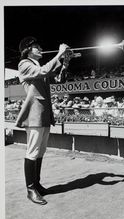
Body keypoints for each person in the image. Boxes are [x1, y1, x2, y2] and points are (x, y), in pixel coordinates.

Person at [15, 36, 70, 205]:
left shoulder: (39, 66)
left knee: (40, 151)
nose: (40, 49)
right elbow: (44, 71)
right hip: (34, 114)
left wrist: (66, 62)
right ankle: (30, 189)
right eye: (36, 47)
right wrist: (60, 53)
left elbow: (59, 79)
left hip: (44, 113)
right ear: (27, 50)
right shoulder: (24, 64)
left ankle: (37, 184)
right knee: (32, 151)